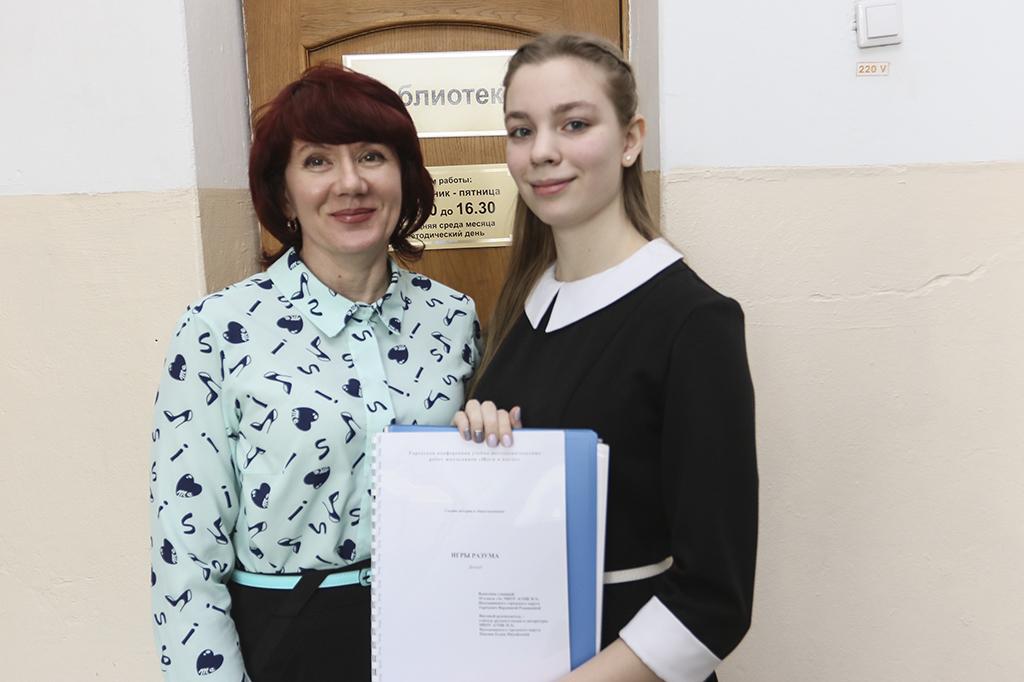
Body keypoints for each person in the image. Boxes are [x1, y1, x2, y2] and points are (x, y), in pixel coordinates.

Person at [149, 64, 480, 681]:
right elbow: (185, 558)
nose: (350, 183)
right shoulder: (218, 329)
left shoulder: (453, 319)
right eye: (318, 161)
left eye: (372, 156)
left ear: (405, 176)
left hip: (438, 627)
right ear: (283, 195)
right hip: (288, 640)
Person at [455, 33, 758, 682]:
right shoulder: (522, 305)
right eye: (521, 130)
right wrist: (481, 447)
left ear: (630, 139)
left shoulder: (693, 322)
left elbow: (715, 600)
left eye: (574, 124)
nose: (542, 151)